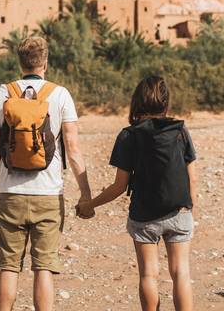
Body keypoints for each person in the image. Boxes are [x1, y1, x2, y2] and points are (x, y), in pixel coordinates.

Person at [0, 36, 93, 311]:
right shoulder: (60, 94)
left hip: (10, 195)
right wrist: (86, 194)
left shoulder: (1, 93)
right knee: (44, 267)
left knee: (8, 266)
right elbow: (73, 150)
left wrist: (8, 156)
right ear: (45, 62)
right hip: (49, 195)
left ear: (20, 62)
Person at [77, 76, 198, 311]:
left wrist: (90, 204)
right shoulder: (180, 130)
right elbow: (193, 175)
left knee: (148, 275)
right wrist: (189, 208)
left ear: (137, 102)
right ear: (165, 102)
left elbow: (119, 186)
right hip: (179, 209)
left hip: (144, 215)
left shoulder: (128, 135)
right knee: (181, 272)